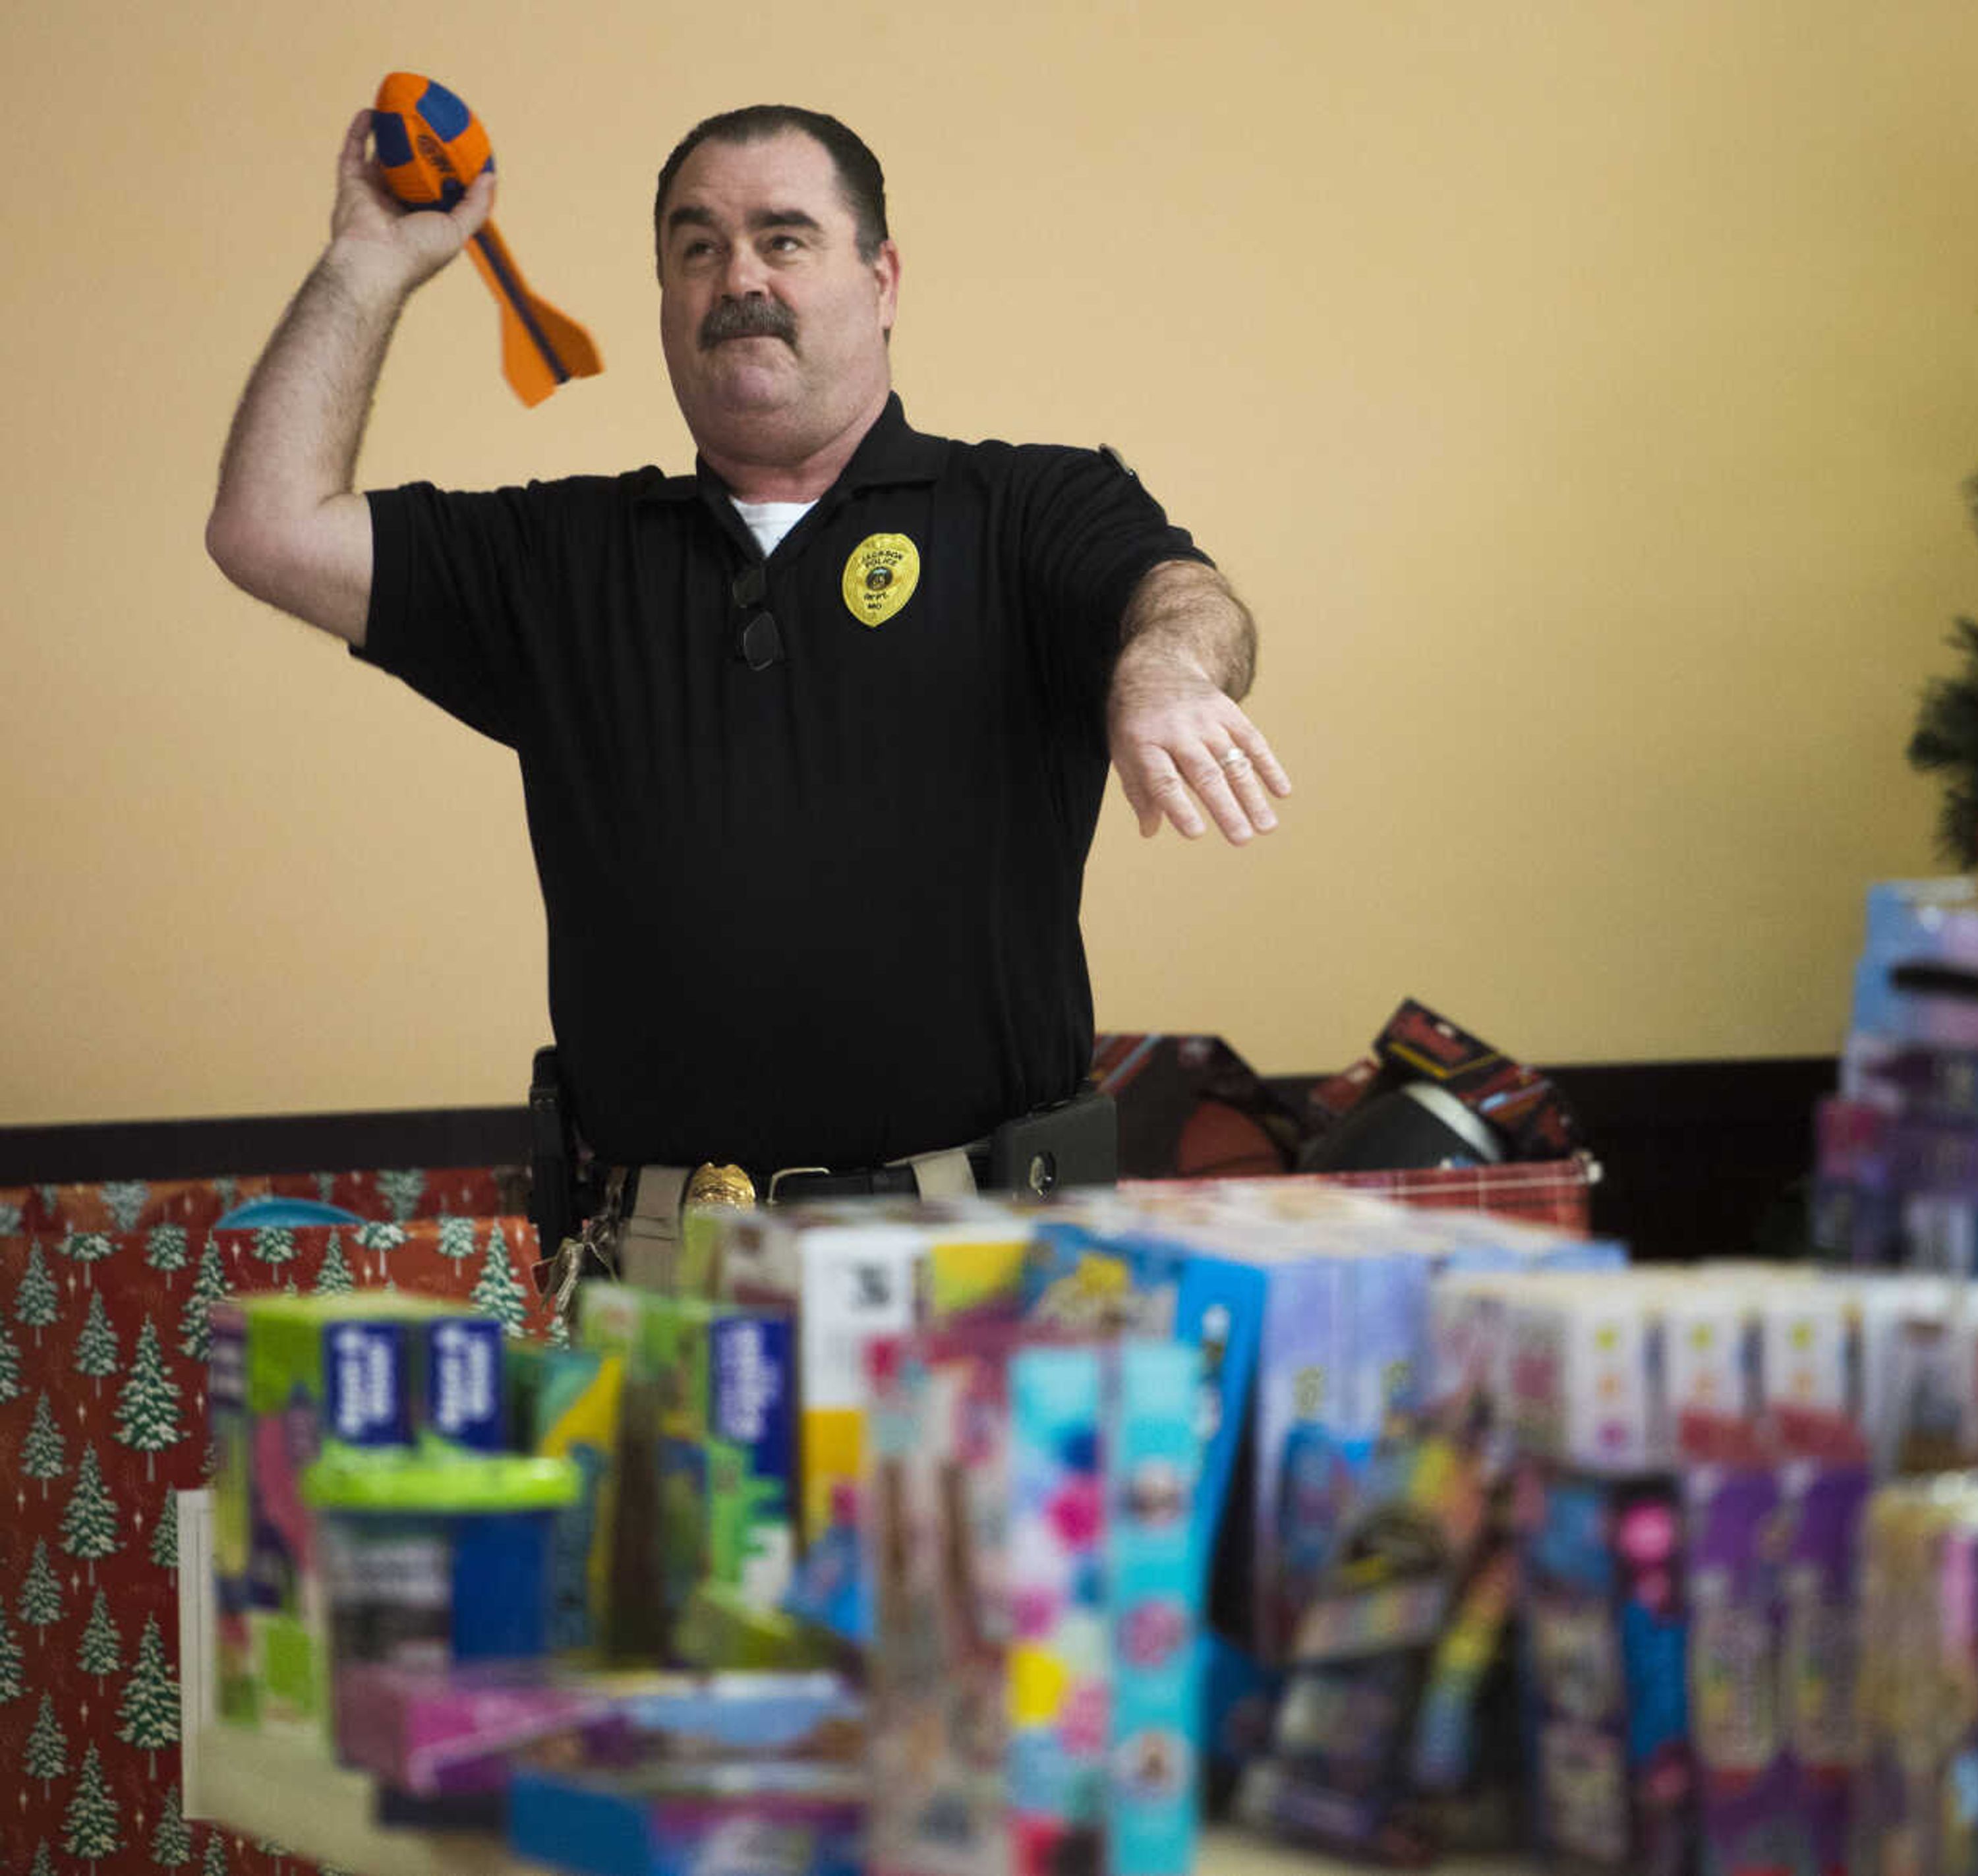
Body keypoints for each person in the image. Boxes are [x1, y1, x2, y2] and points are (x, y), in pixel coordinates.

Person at [205, 102, 1290, 1246]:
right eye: (696, 246)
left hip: (988, 1260)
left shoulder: (1029, 510)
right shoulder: (561, 559)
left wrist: (1162, 676)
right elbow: (266, 527)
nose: (738, 277)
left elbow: (1180, 594)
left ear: (882, 281)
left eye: (784, 238)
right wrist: (367, 266)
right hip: (660, 1272)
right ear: (669, 301)